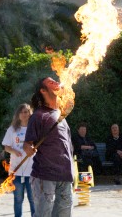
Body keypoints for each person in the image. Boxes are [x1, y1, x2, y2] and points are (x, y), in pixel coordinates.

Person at [23, 77, 74, 217]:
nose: (56, 83)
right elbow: (27, 144)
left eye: (55, 81)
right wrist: (29, 150)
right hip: (45, 176)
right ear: (43, 90)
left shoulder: (60, 113)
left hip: (65, 176)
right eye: (51, 82)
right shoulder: (39, 115)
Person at [2, 103, 35, 217]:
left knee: (33, 199)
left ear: (30, 114)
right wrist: (14, 151)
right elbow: (6, 146)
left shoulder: (34, 129)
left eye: (26, 112)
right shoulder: (12, 129)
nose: (24, 114)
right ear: (18, 114)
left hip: (32, 171)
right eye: (21, 112)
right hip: (16, 170)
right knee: (18, 199)